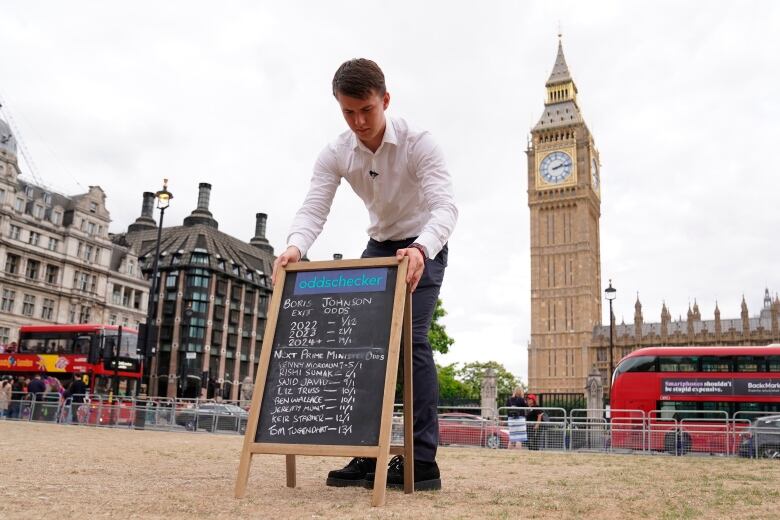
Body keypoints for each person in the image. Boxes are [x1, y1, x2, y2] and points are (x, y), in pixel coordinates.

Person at [272, 58, 457, 491]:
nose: (358, 122)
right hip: (378, 246)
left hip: (424, 244)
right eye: (348, 112)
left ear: (385, 100)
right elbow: (315, 206)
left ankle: (422, 460)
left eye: (366, 110)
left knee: (412, 341)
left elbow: (445, 207)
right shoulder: (336, 152)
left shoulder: (420, 144)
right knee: (360, 347)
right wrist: (295, 246)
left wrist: (421, 249)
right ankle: (367, 451)